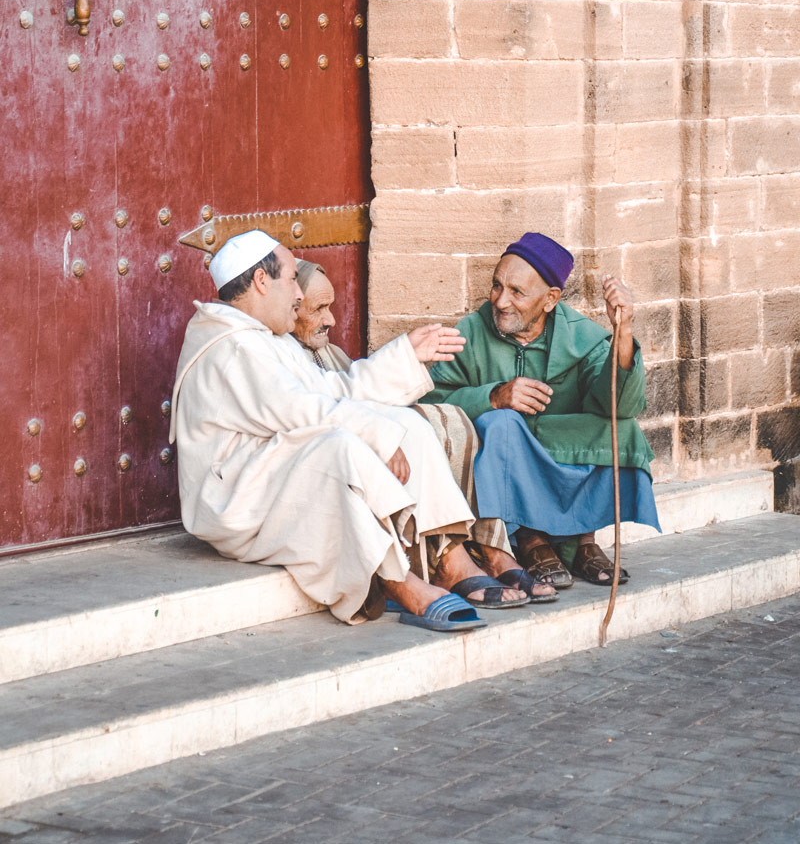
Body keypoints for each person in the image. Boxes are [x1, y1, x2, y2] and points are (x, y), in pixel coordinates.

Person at [170, 230, 528, 633]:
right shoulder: (232, 348)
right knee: (336, 446)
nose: (298, 295)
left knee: (405, 423)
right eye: (291, 279)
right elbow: (304, 412)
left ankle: (449, 558)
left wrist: (405, 355)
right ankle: (397, 581)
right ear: (260, 281)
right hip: (238, 498)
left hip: (269, 473)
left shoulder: (268, 340)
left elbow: (334, 390)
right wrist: (373, 434)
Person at [290, 258, 557, 604]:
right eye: (319, 309)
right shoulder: (274, 357)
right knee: (423, 426)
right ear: (289, 306)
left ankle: (489, 550)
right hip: (317, 467)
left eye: (331, 307)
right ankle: (449, 562)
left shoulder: (330, 353)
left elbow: (356, 388)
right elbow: (319, 409)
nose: (332, 319)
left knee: (452, 422)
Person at [420, 232, 661, 588]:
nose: (501, 301)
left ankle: (583, 541)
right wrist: (493, 397)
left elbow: (621, 404)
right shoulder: (471, 332)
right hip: (504, 455)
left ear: (550, 300)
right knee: (501, 425)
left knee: (622, 428)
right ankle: (529, 540)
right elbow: (428, 403)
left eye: (517, 292)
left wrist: (622, 331)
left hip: (558, 449)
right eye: (497, 286)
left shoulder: (583, 336)